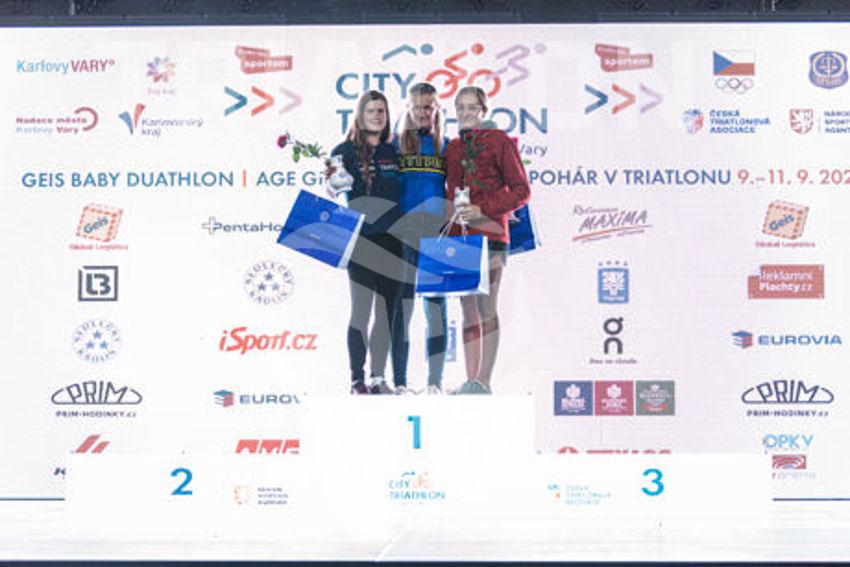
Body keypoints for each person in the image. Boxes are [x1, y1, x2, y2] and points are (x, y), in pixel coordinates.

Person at [444, 86, 530, 394]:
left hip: (492, 234)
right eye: (461, 107)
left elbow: (522, 191)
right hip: (461, 238)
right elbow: (450, 193)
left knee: (487, 307)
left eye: (472, 107)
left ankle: (485, 381)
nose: (466, 113)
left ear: (483, 110)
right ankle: (471, 382)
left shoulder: (499, 141)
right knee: (467, 310)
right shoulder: (453, 148)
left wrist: (484, 210)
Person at [330, 90, 403, 395]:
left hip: (394, 241)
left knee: (386, 314)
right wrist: (334, 182)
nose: (376, 115)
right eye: (371, 110)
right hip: (361, 241)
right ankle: (356, 379)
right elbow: (333, 188)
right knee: (361, 311)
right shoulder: (343, 151)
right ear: (360, 115)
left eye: (381, 111)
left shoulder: (394, 151)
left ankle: (377, 377)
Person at [390, 82, 450, 395]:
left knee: (436, 310)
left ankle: (435, 383)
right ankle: (400, 382)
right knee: (402, 307)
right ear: (408, 109)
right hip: (403, 233)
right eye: (417, 107)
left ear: (436, 109)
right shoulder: (394, 145)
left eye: (429, 107)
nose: (423, 112)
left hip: (437, 235)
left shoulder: (446, 147)